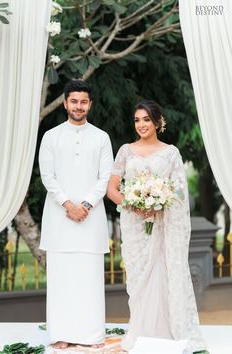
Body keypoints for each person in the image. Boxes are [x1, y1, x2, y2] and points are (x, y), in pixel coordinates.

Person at [107, 100, 206, 353]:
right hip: (135, 226)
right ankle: (141, 331)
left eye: (146, 119)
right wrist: (134, 204)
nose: (141, 124)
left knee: (163, 272)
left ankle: (166, 331)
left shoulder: (171, 152)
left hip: (163, 226)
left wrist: (160, 202)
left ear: (157, 122)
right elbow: (112, 189)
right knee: (139, 277)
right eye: (137, 120)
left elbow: (179, 191)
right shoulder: (126, 151)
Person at [39, 80, 113, 349]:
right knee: (61, 279)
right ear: (65, 103)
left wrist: (86, 205)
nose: (78, 106)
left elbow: (105, 177)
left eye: (83, 102)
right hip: (59, 219)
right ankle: (61, 334)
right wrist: (68, 205)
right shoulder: (51, 136)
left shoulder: (101, 137)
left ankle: (92, 336)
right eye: (74, 101)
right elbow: (48, 176)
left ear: (89, 105)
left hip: (90, 220)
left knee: (89, 279)